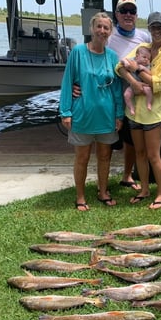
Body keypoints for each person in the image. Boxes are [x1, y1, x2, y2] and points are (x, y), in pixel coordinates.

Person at [73, 0, 151, 192]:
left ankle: (127, 175)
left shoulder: (145, 37)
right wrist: (78, 85)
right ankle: (97, 185)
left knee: (132, 141)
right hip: (112, 98)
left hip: (138, 99)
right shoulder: (108, 36)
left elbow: (155, 60)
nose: (127, 15)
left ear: (136, 15)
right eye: (123, 11)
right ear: (116, 14)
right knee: (107, 145)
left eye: (131, 11)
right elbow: (92, 61)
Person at [59, 12, 124, 211]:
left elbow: (117, 89)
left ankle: (103, 191)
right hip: (82, 115)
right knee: (82, 157)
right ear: (91, 28)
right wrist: (65, 111)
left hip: (106, 116)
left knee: (105, 156)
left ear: (110, 32)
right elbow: (67, 82)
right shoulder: (78, 52)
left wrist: (119, 114)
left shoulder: (112, 56)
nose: (102, 31)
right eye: (99, 27)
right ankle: (80, 196)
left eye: (106, 28)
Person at [116, 11, 161, 210]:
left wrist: (138, 68)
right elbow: (119, 66)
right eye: (153, 27)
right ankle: (144, 189)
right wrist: (133, 81)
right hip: (134, 113)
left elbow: (159, 83)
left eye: (160, 27)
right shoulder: (144, 48)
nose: (157, 31)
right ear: (149, 29)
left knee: (153, 155)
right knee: (139, 153)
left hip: (154, 114)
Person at [121, 45, 153, 115]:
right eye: (144, 57)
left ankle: (149, 103)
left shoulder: (146, 65)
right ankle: (131, 108)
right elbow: (122, 60)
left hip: (143, 85)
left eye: (148, 59)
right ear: (137, 56)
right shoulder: (132, 61)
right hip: (132, 86)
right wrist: (125, 63)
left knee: (149, 90)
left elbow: (151, 74)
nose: (146, 60)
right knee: (126, 95)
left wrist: (144, 69)